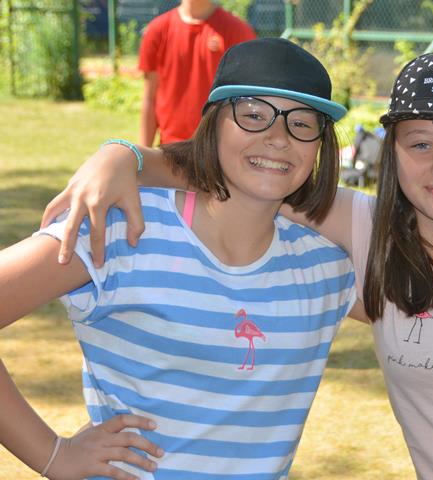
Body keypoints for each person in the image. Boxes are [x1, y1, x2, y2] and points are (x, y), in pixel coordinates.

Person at [40, 50, 433, 479]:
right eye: (421, 143)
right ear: (390, 153)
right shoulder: (360, 227)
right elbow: (234, 165)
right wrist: (121, 155)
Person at [0, 38, 358, 479]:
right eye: (253, 115)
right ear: (213, 123)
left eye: (302, 123)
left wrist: (128, 154)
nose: (278, 138)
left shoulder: (326, 267)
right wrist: (55, 455)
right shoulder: (121, 226)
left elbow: (429, 308)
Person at [139, 0, 255, 146]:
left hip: (218, 149)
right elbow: (150, 99)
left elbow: (249, 101)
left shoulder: (238, 31)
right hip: (171, 149)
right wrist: (143, 153)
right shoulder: (157, 30)